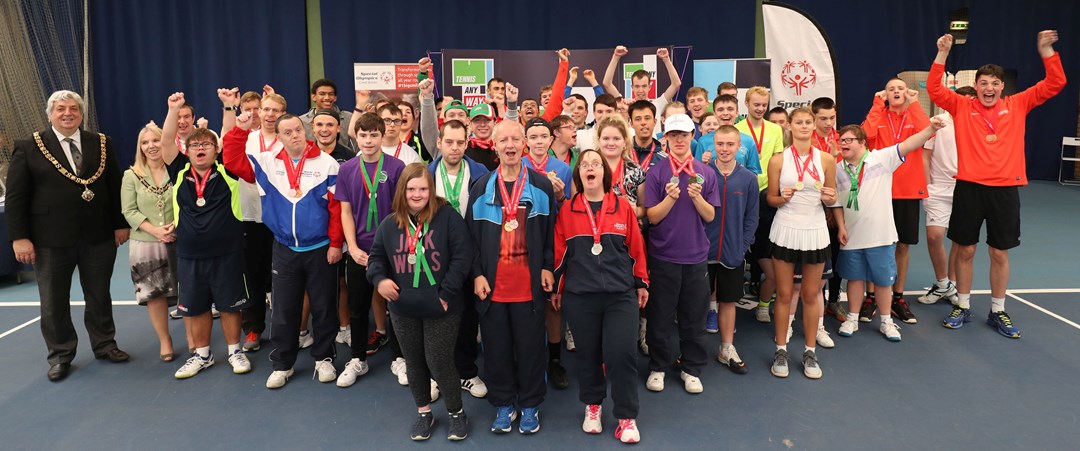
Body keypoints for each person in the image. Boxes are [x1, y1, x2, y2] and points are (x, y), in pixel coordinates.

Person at [928, 31, 1066, 338]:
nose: (988, 88)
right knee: (965, 250)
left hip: (1004, 190)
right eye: (983, 83)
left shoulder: (1017, 104)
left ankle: (997, 309)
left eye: (994, 83)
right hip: (969, 188)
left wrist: (1046, 51)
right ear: (975, 86)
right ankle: (962, 305)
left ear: (1002, 87)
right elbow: (935, 89)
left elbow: (1055, 84)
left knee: (999, 253)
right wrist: (942, 54)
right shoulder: (963, 107)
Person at [7, 90, 131, 382]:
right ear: (50, 114)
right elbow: (16, 198)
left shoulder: (101, 143)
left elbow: (114, 188)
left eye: (74, 109)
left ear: (81, 114)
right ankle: (61, 354)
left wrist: (120, 223)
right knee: (53, 301)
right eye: (60, 109)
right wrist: (19, 237)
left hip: (98, 236)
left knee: (99, 294)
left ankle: (105, 344)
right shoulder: (28, 146)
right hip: (49, 240)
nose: (67, 113)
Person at [223, 108, 344, 389]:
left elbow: (337, 209)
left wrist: (336, 243)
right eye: (287, 132)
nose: (294, 136)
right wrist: (240, 130)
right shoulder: (266, 163)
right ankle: (282, 364)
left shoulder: (328, 164)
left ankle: (324, 359)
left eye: (298, 130)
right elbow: (231, 160)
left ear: (306, 132)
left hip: (320, 248)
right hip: (285, 248)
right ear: (278, 137)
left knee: (325, 307)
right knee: (283, 309)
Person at [367, 163, 474, 441]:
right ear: (402, 191)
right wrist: (379, 280)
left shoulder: (447, 217)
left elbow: (463, 258)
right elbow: (376, 258)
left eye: (423, 189)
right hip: (403, 308)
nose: (417, 195)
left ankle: (456, 413)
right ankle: (424, 412)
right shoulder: (390, 224)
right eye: (411, 189)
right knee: (413, 361)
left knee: (439, 361)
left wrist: (447, 293)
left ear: (431, 189)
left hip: (442, 306)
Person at [465, 119, 557, 435]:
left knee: (532, 350)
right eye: (503, 140)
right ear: (495, 145)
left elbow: (551, 235)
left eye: (515, 139)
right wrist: (476, 274)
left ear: (524, 144)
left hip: (529, 287)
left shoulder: (542, 187)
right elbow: (470, 240)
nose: (509, 146)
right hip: (492, 289)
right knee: (497, 350)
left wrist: (547, 266)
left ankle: (530, 406)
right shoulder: (480, 188)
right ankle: (504, 405)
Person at [552, 149, 649, 444]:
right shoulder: (567, 210)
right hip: (580, 297)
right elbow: (559, 253)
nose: (591, 168)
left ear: (604, 174)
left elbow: (636, 248)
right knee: (588, 355)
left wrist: (642, 282)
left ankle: (626, 415)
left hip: (620, 295)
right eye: (585, 165)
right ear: (579, 174)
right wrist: (557, 287)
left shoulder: (622, 207)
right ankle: (593, 405)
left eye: (596, 164)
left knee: (622, 354)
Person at [160, 92, 251, 379]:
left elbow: (227, 134)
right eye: (195, 145)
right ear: (187, 151)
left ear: (215, 150)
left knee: (229, 306)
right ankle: (203, 355)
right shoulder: (179, 172)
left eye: (206, 145)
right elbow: (165, 143)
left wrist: (227, 107)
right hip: (189, 255)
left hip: (228, 253)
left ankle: (235, 351)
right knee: (196, 307)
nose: (200, 148)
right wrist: (174, 110)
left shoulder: (227, 171)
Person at [833, 120, 943, 342]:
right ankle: (853, 318)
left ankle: (886, 321)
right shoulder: (836, 170)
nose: (843, 143)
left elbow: (910, 144)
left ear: (862, 143)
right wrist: (842, 227)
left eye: (849, 140)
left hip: (881, 236)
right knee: (854, 279)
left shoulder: (881, 159)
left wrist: (930, 129)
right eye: (841, 140)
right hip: (851, 236)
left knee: (883, 281)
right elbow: (835, 203)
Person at [643, 114, 720, 394]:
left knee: (694, 317)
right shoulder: (656, 172)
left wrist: (697, 197)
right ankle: (658, 366)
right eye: (673, 135)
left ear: (692, 136)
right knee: (660, 317)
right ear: (666, 138)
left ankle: (691, 368)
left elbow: (710, 216)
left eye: (684, 135)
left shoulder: (706, 172)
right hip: (663, 256)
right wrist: (670, 198)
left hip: (696, 256)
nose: (679, 140)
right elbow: (651, 217)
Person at [335, 113, 406, 387]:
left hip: (390, 250)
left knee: (396, 305)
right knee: (357, 306)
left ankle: (400, 358)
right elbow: (346, 211)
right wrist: (351, 247)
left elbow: (401, 210)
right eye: (363, 135)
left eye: (373, 135)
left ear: (382, 135)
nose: (368, 140)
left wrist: (394, 247)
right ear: (356, 136)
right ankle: (357, 359)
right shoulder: (347, 169)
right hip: (360, 249)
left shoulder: (397, 166)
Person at [765, 107, 837, 380]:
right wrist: (782, 197)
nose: (805, 126)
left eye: (809, 122)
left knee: (810, 295)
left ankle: (809, 351)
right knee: (784, 294)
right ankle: (781, 349)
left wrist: (830, 197)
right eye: (800, 122)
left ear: (814, 125)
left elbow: (830, 198)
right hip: (785, 228)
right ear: (790, 127)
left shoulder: (827, 160)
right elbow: (771, 199)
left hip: (815, 230)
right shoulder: (777, 160)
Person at [213, 88, 282, 352]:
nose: (267, 114)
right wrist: (237, 124)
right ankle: (253, 328)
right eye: (264, 110)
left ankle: (288, 328)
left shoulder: (288, 136)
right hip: (251, 217)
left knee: (281, 276)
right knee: (251, 275)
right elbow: (230, 160)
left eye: (274, 110)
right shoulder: (247, 137)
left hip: (282, 218)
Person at [427, 119, 490, 399]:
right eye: (448, 142)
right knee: (434, 317)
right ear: (439, 142)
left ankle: (466, 371)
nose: (454, 148)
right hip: (433, 257)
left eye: (460, 142)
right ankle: (434, 374)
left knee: (466, 317)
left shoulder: (481, 173)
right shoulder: (425, 175)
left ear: (468, 143)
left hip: (469, 255)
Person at [860, 78, 929, 325]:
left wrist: (915, 102)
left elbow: (925, 133)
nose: (897, 92)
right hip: (879, 191)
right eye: (891, 89)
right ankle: (871, 298)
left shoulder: (914, 114)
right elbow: (864, 135)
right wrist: (877, 104)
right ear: (885, 95)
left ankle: (898, 297)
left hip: (908, 191)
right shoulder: (879, 115)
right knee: (874, 244)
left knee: (902, 246)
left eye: (900, 88)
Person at [121, 124, 179, 362]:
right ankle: (165, 340)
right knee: (155, 294)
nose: (151, 146)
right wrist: (155, 230)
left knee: (187, 291)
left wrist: (175, 225)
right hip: (145, 243)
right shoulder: (131, 175)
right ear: (140, 147)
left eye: (155, 140)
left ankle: (195, 338)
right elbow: (129, 210)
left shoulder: (177, 169)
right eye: (145, 143)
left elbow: (187, 200)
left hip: (178, 239)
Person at [522, 117, 573, 389]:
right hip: (523, 243)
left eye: (544, 136)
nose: (539, 142)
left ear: (551, 140)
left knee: (553, 301)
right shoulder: (518, 166)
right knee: (528, 302)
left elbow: (572, 211)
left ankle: (554, 360)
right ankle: (530, 357)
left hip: (554, 241)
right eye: (534, 137)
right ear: (525, 141)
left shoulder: (563, 169)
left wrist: (562, 198)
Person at [703, 126, 759, 374]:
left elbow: (751, 218)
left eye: (730, 145)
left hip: (732, 254)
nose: (724, 149)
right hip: (702, 253)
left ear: (739, 147)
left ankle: (726, 348)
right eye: (720, 144)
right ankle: (690, 349)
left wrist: (742, 245)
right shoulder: (702, 174)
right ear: (713, 145)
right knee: (696, 303)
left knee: (728, 301)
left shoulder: (748, 178)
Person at [918, 86, 977, 306]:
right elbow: (925, 156)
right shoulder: (938, 122)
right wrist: (927, 187)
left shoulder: (977, 121)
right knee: (934, 236)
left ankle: (950, 284)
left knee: (960, 240)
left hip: (967, 188)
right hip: (938, 188)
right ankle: (942, 283)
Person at [736, 87, 785, 325]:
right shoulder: (736, 130)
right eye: (755, 104)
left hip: (767, 195)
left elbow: (778, 162)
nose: (760, 108)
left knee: (768, 249)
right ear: (746, 103)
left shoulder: (775, 129)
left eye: (763, 104)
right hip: (742, 195)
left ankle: (764, 304)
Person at [311, 109, 355, 346]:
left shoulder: (348, 157)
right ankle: (313, 331)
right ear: (313, 127)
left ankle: (345, 327)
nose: (324, 129)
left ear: (339, 128)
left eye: (330, 124)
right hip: (312, 231)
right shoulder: (305, 154)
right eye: (320, 125)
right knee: (313, 285)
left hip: (341, 228)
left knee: (341, 282)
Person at [810, 97, 846, 320]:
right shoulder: (807, 141)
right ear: (813, 118)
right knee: (819, 259)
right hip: (814, 210)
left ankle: (833, 300)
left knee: (837, 255)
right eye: (822, 118)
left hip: (839, 209)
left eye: (831, 117)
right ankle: (818, 300)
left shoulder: (843, 139)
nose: (828, 123)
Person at [602, 46, 683, 129]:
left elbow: (676, 84)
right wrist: (615, 57)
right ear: (632, 87)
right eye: (637, 86)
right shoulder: (625, 104)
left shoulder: (657, 104)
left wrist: (666, 60)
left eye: (644, 86)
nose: (640, 90)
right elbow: (607, 83)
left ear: (649, 87)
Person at [696, 94, 763, 175]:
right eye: (720, 110)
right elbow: (697, 173)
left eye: (730, 109)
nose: (725, 113)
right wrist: (703, 164)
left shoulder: (748, 141)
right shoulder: (703, 141)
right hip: (713, 187)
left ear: (737, 113)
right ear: (714, 114)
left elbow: (754, 173)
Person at [596, 116, 647, 218]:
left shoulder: (637, 171)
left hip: (627, 229)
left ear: (624, 141)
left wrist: (636, 211)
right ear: (599, 141)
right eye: (606, 138)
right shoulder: (589, 169)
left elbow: (644, 209)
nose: (611, 143)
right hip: (595, 228)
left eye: (616, 138)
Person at [300, 78, 353, 149]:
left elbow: (356, 147)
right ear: (314, 97)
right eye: (322, 94)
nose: (327, 97)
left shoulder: (349, 118)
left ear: (335, 97)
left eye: (331, 94)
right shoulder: (301, 121)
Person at [627, 100, 667, 174]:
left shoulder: (665, 159)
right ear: (631, 123)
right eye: (638, 119)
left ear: (655, 122)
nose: (643, 123)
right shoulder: (623, 155)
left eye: (647, 118)